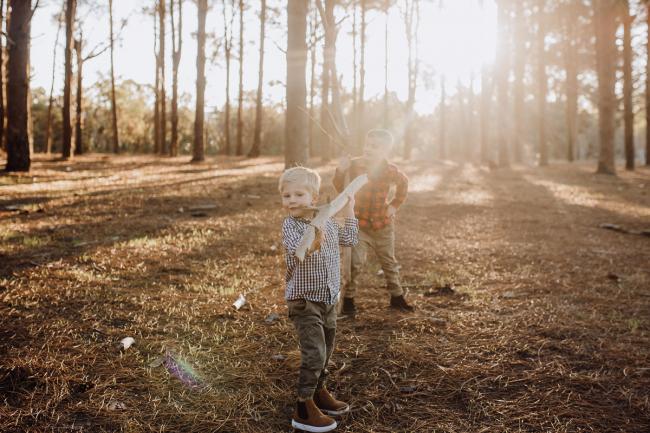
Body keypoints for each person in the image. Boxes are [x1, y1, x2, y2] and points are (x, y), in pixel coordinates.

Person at [279, 166, 359, 432]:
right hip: (304, 301)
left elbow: (349, 238)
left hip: (328, 298)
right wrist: (316, 229)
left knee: (327, 349)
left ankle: (318, 391)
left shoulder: (328, 219)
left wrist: (348, 210)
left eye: (298, 194)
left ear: (313, 198)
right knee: (314, 353)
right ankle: (303, 407)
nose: (292, 200)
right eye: (287, 195)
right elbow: (300, 250)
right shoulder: (290, 226)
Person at [333, 129, 414, 316]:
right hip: (359, 224)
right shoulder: (354, 166)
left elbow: (404, 183)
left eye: (375, 146)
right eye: (367, 144)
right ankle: (349, 300)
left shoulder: (390, 170)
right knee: (355, 262)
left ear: (386, 150)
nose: (369, 149)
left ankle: (397, 297)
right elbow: (342, 189)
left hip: (382, 226)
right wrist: (341, 171)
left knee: (388, 262)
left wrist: (395, 204)